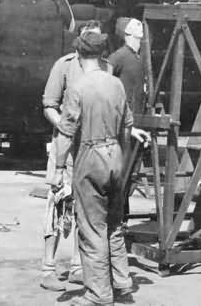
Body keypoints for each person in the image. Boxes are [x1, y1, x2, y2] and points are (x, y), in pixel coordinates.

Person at [50, 30, 151, 306]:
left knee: (92, 228)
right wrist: (119, 157)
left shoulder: (78, 87)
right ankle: (121, 284)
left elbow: (66, 133)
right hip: (116, 155)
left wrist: (58, 169)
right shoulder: (115, 85)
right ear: (102, 55)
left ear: (80, 56)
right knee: (114, 224)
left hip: (90, 157)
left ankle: (98, 295)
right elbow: (127, 126)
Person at [40, 21, 110, 292]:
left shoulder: (107, 68)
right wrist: (63, 127)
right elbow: (49, 104)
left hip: (92, 150)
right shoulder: (64, 65)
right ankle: (48, 268)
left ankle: (80, 267)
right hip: (66, 150)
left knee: (88, 207)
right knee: (58, 206)